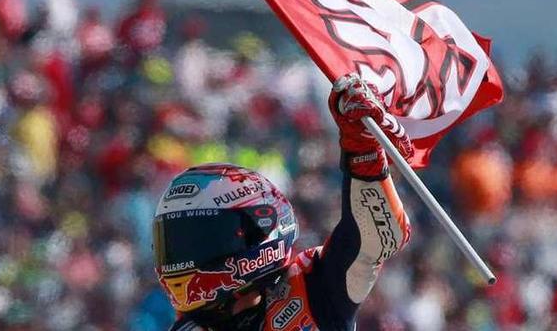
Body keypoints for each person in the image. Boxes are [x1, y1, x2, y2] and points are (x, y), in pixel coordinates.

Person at [153, 74, 413, 330]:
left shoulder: (311, 291)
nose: (179, 256)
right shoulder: (187, 325)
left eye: (196, 239)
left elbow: (376, 239)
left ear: (255, 232)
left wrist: (362, 148)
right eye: (173, 242)